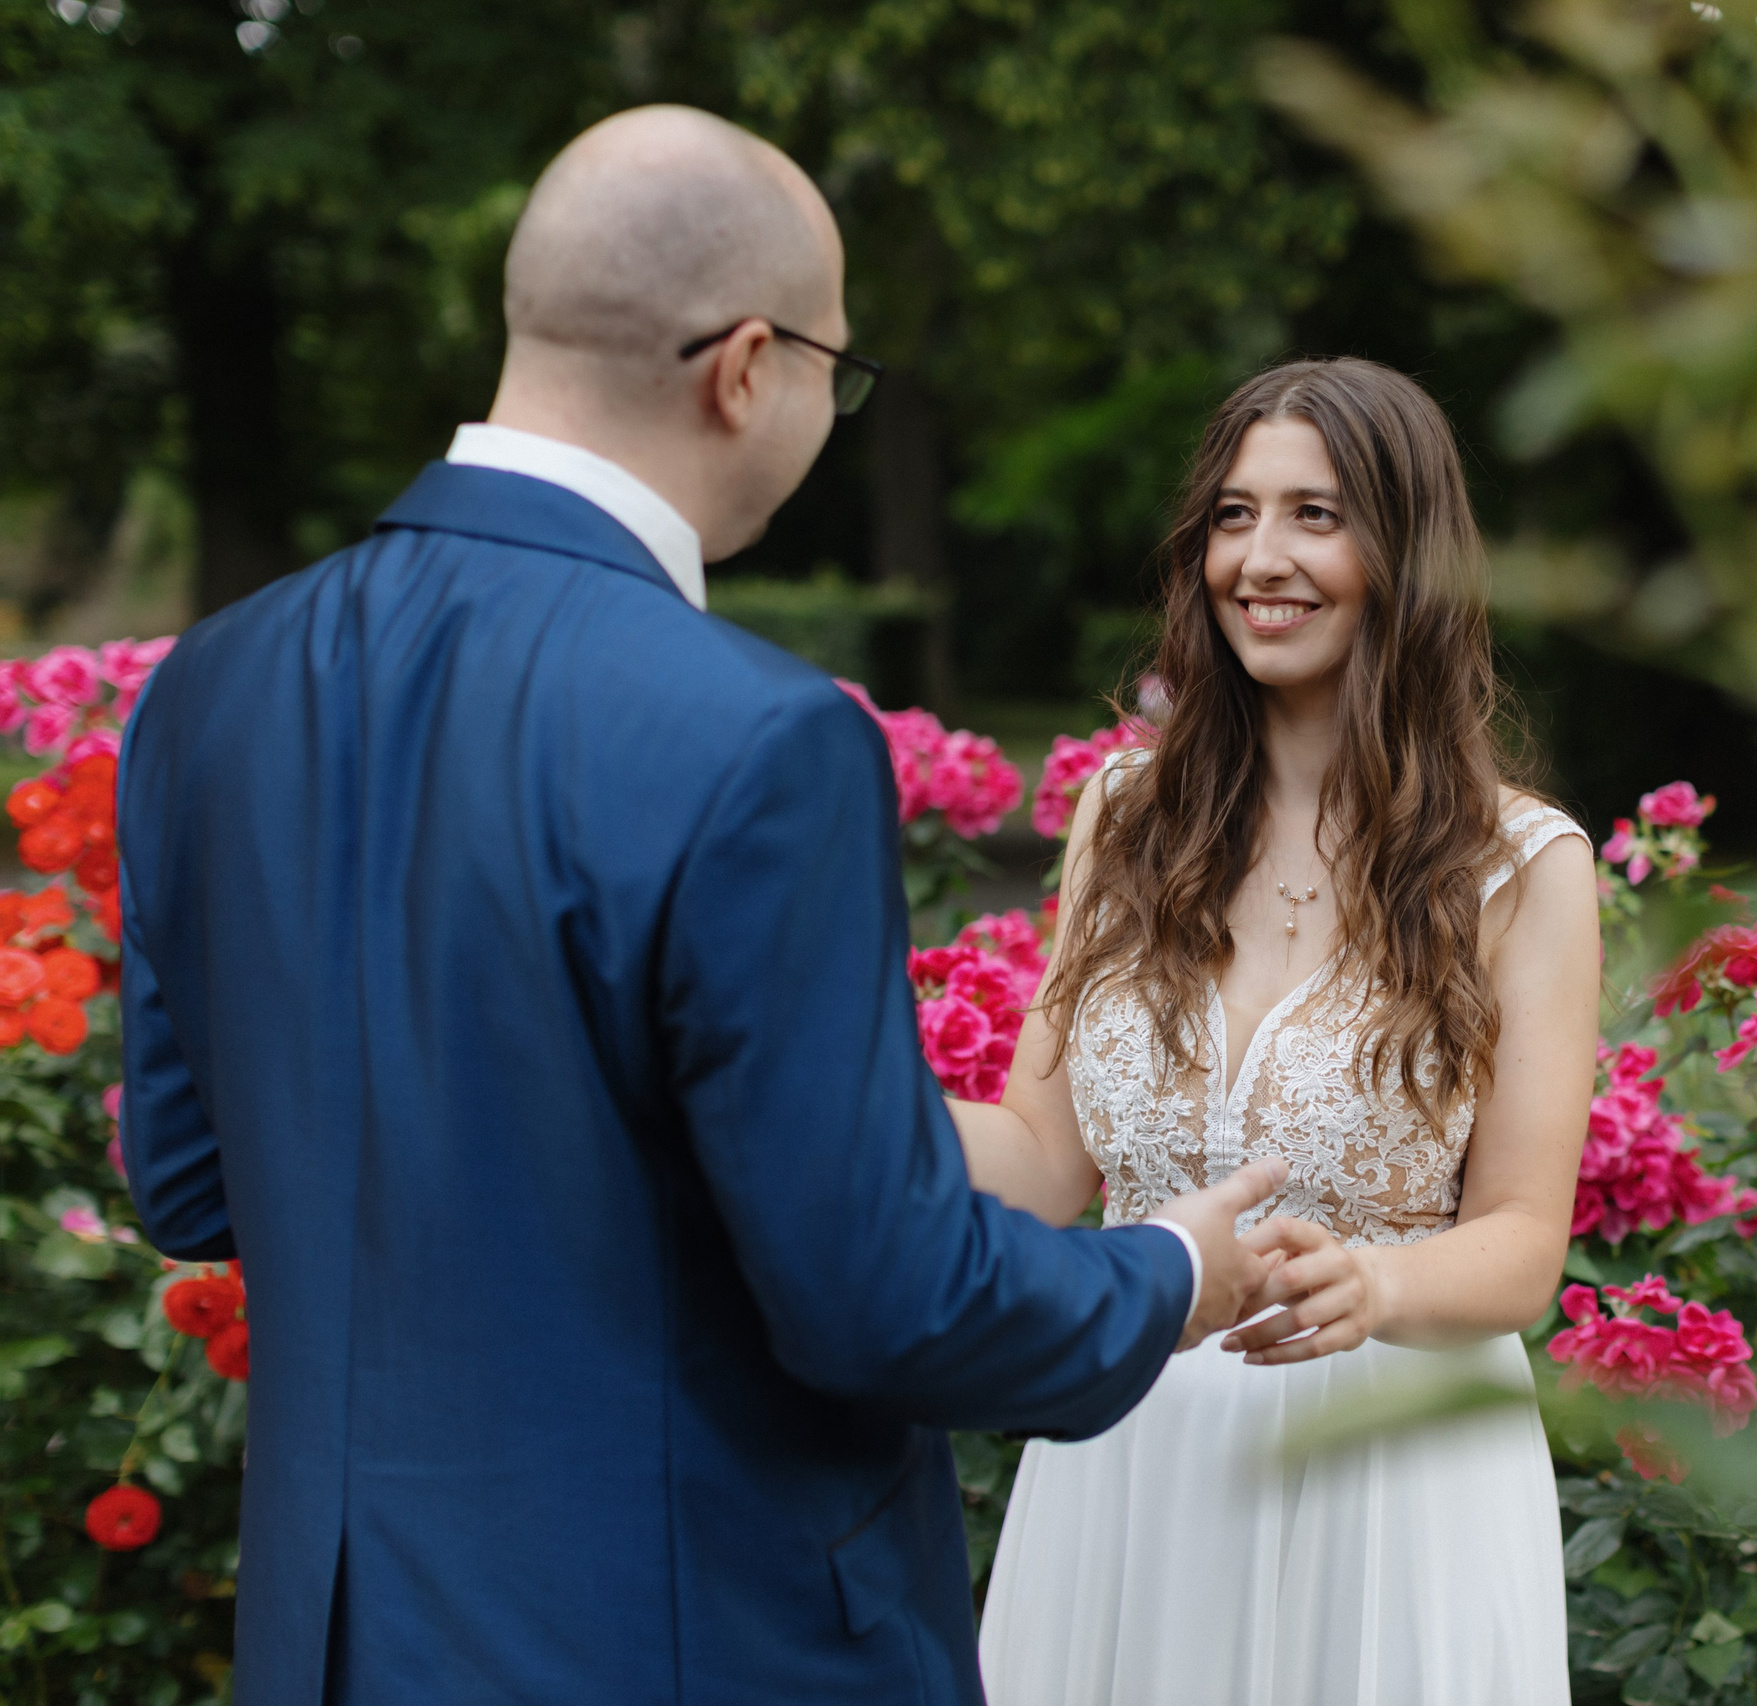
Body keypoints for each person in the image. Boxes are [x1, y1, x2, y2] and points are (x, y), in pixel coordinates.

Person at [116, 105, 1284, 1706]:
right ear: (748, 365)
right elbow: (887, 1296)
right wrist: (1166, 1275)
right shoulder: (755, 736)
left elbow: (188, 1174)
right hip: (692, 1643)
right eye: (837, 371)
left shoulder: (216, 682)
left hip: (343, 1650)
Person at [959, 357, 1600, 1705]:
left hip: (1391, 1469)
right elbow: (1040, 1162)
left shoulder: (1522, 865)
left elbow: (1525, 1245)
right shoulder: (1124, 818)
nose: (1262, 557)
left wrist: (1378, 1286)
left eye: (1316, 515)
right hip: (1133, 1452)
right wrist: (826, 1085)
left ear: (1406, 552)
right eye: (1233, 516)